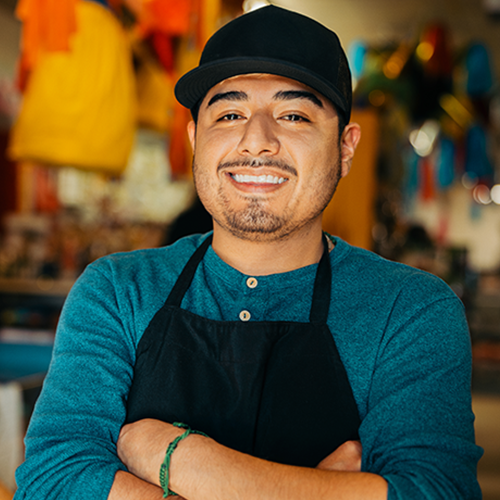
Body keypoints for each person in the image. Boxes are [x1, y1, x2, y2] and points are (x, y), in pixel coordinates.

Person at [14, 5, 482, 500]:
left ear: (346, 147)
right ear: (196, 138)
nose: (256, 141)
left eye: (294, 115)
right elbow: (51, 482)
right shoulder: (116, 291)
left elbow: (434, 491)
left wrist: (174, 454)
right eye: (230, 114)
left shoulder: (410, 311)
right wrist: (326, 490)